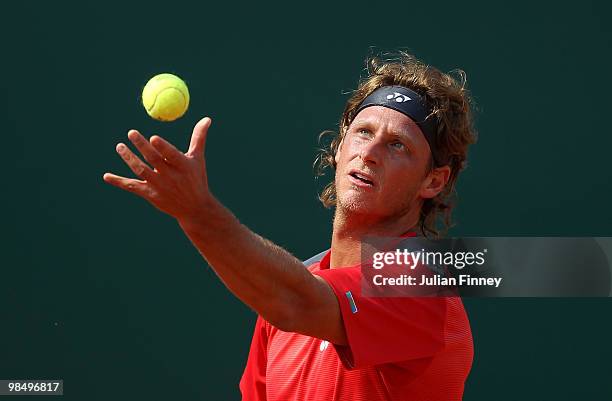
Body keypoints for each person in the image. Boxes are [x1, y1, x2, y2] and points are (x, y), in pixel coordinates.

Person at [103, 51, 478, 400]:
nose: (370, 153)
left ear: (433, 181)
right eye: (363, 132)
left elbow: (295, 301)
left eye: (398, 145)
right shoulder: (287, 290)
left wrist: (197, 212)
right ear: (339, 145)